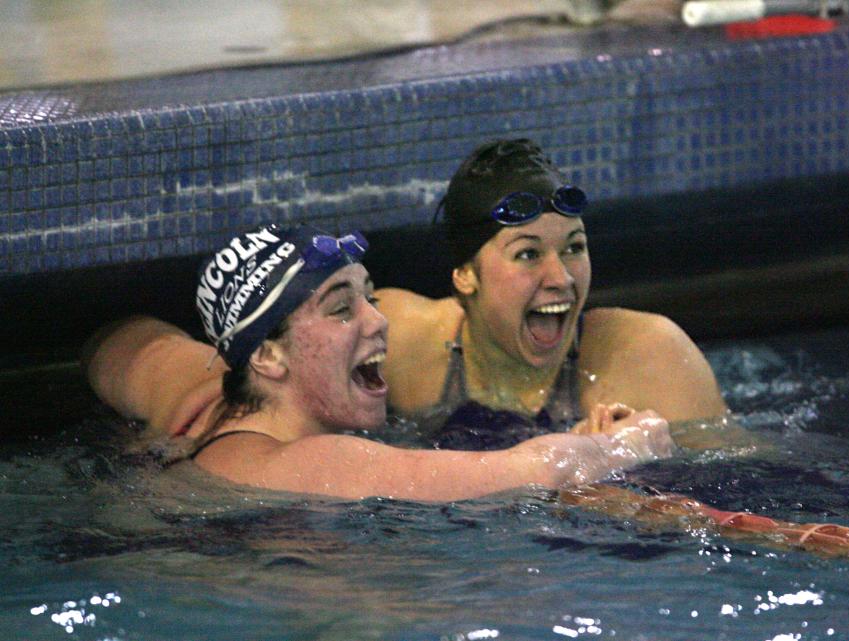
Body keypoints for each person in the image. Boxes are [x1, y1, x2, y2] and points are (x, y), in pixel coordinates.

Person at [83, 224, 677, 502]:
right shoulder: (320, 461)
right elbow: (536, 472)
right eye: (343, 310)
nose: (379, 320)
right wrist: (627, 444)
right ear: (267, 355)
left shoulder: (203, 407)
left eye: (369, 295)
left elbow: (110, 340)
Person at [377, 138, 746, 450]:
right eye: (528, 254)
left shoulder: (650, 358)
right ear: (466, 275)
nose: (562, 277)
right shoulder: (397, 341)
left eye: (574, 247)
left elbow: (743, 485)